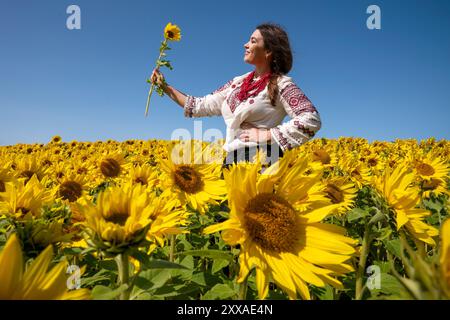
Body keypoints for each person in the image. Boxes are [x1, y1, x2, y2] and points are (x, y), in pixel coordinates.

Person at [150, 23, 321, 168]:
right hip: (232, 158)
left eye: (253, 41)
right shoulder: (237, 83)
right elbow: (199, 105)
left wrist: (267, 135)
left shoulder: (282, 84)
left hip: (263, 160)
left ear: (268, 51)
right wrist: (164, 87)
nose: (245, 45)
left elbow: (310, 118)